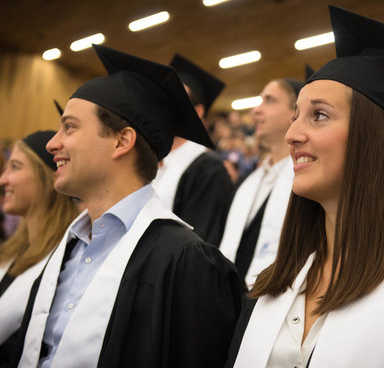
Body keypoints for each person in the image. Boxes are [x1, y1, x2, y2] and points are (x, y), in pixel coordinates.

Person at [226, 6, 384, 368]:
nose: (292, 134)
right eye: (296, 115)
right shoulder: (276, 280)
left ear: (373, 137)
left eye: (319, 115)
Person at [13, 45, 242, 368]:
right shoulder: (68, 247)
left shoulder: (186, 263)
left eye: (70, 127)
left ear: (122, 141)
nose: (52, 143)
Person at [0, 131, 79, 365]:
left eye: (15, 167)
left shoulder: (65, 261)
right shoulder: (16, 250)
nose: (3, 180)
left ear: (47, 178)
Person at [219, 77, 302, 287]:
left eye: (270, 100)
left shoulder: (303, 184)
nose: (256, 110)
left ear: (296, 112)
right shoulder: (249, 183)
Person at [151, 54, 233, 247]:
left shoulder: (209, 169)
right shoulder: (150, 162)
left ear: (197, 112)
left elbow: (200, 245)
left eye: (177, 97)